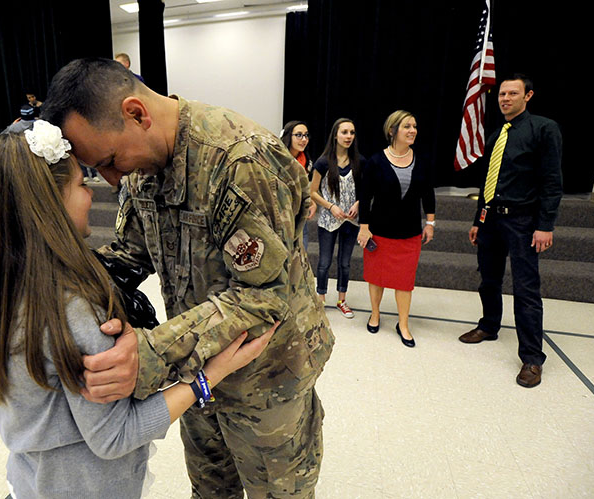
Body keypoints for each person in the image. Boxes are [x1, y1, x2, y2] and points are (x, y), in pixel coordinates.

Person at [40, 58, 334, 498]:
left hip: (268, 381)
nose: (111, 177)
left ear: (137, 114)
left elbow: (263, 297)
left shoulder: (239, 160)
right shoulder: (142, 173)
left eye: (109, 160)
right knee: (212, 492)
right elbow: (130, 254)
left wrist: (152, 354)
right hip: (199, 375)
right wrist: (48, 278)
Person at [0, 125, 276, 498]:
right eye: (81, 184)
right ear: (48, 205)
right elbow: (116, 435)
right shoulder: (72, 313)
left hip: (32, 482)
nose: (92, 192)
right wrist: (209, 376)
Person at [459, 74, 563, 388]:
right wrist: (479, 219)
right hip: (491, 220)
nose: (505, 98)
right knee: (488, 279)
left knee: (526, 289)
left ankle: (532, 358)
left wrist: (545, 225)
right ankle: (489, 326)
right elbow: (487, 182)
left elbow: (551, 181)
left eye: (512, 93)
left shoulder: (544, 129)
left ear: (528, 96)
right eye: (502, 94)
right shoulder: (496, 135)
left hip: (523, 221)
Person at [356, 110, 435, 348]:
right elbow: (365, 196)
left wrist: (430, 222)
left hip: (409, 232)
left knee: (404, 281)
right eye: (407, 126)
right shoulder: (375, 162)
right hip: (379, 231)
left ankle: (403, 324)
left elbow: (427, 194)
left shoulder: (421, 160)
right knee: (376, 277)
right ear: (393, 131)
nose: (412, 130)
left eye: (414, 126)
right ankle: (375, 314)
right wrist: (364, 227)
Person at [310, 117, 365, 318]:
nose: (348, 136)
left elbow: (367, 191)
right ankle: (320, 299)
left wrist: (359, 203)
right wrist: (331, 206)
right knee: (324, 262)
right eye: (344, 132)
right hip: (328, 220)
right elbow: (312, 191)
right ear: (335, 135)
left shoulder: (360, 162)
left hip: (350, 222)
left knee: (345, 262)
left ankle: (342, 299)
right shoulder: (323, 162)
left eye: (351, 132)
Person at [280, 120, 316, 250]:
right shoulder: (279, 159)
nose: (303, 139)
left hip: (300, 212)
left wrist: (311, 202)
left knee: (302, 252)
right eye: (299, 135)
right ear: (289, 136)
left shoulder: (306, 161)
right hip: (282, 213)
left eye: (306, 135)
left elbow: (305, 188)